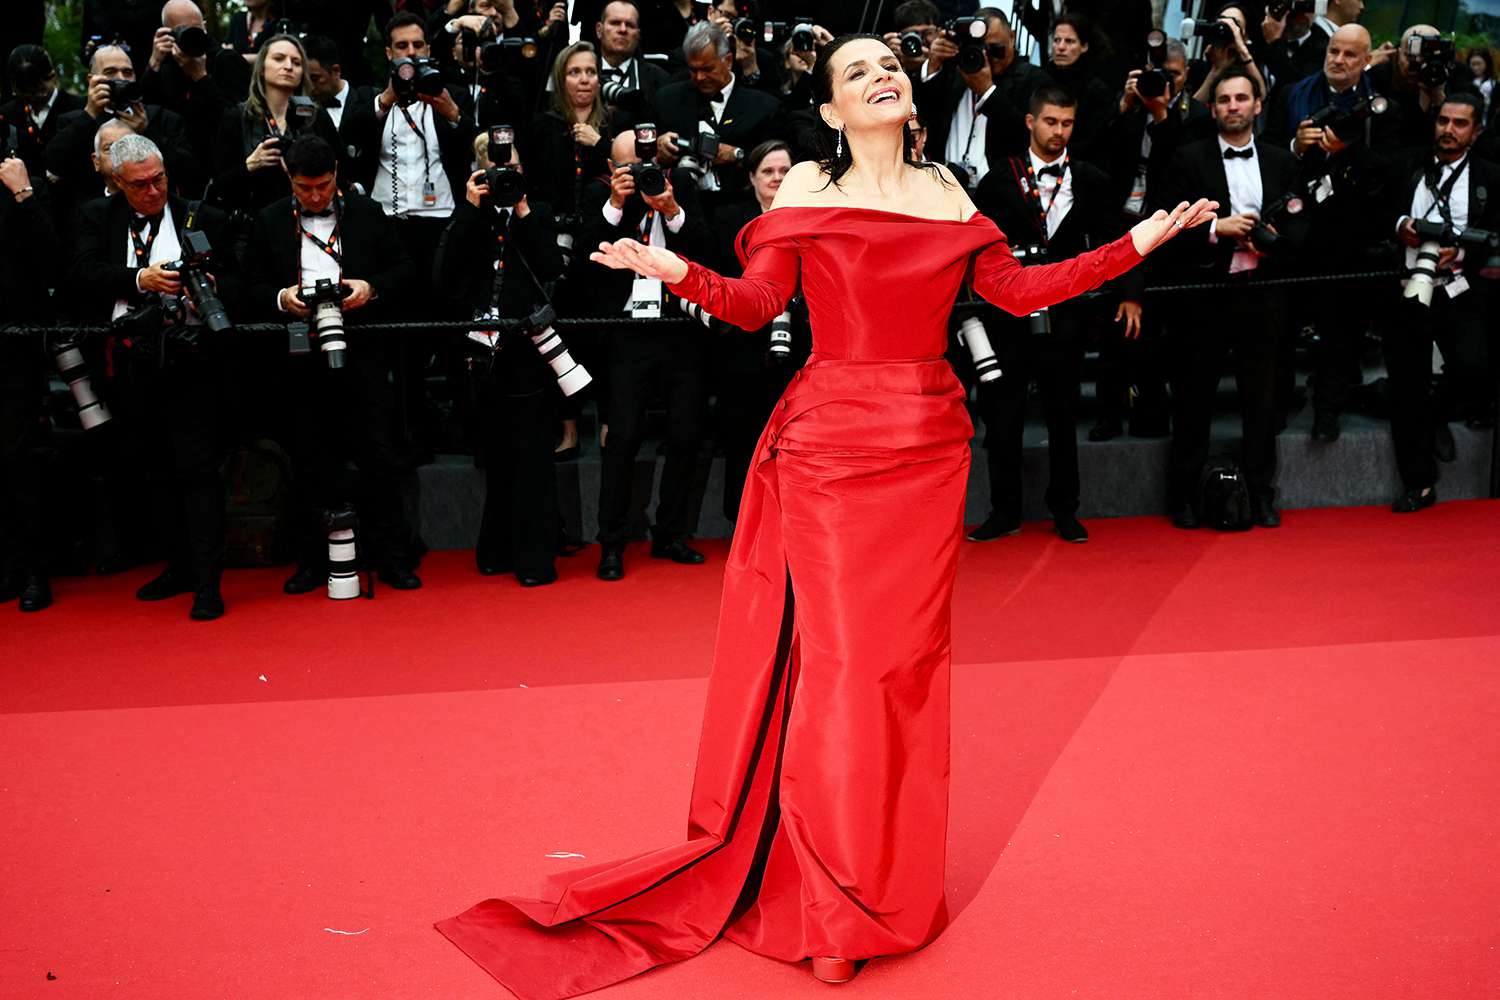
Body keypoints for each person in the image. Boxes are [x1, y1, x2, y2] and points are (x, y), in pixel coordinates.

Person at [435, 32, 1214, 996]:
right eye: (857, 72)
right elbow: (758, 302)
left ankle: (881, 881)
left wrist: (1138, 243)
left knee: (901, 674)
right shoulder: (806, 186)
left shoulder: (951, 194)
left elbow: (1018, 293)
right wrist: (671, 268)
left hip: (929, 449)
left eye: (889, 64)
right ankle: (830, 897)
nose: (882, 75)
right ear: (835, 110)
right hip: (832, 448)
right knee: (842, 671)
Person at [69, 134, 242, 620]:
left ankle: (209, 582)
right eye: (140, 184)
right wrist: (138, 279)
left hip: (191, 361)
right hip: (129, 361)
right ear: (118, 183)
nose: (152, 191)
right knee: (155, 471)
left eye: (159, 179)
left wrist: (206, 287)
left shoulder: (202, 218)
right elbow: (81, 273)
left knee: (198, 471)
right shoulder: (95, 217)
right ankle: (179, 566)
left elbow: (238, 282)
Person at [244, 134, 424, 592]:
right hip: (300, 354)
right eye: (305, 188)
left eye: (323, 185)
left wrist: (370, 288)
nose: (316, 195)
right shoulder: (267, 221)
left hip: (362, 347)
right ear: (289, 179)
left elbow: (407, 270)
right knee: (309, 460)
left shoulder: (366, 214)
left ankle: (393, 557)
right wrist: (283, 298)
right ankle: (311, 561)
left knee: (378, 458)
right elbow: (245, 286)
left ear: (336, 176)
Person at [967, 85, 1142, 544]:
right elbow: (978, 249)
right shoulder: (999, 180)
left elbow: (1114, 241)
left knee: (1063, 417)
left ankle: (1066, 510)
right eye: (1051, 122)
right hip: (1008, 317)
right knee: (1002, 418)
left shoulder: (1090, 179)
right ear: (1030, 122)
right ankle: (1003, 511)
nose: (1059, 131)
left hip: (1066, 316)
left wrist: (1130, 293)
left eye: (1067, 123)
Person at [1158, 68, 1305, 530]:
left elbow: (1305, 225)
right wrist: (1213, 229)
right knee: (1193, 400)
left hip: (1262, 295)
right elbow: (1162, 225)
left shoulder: (1282, 161)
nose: (1234, 106)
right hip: (1205, 298)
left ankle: (1262, 495)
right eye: (1225, 99)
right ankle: (1182, 498)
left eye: (1242, 98)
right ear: (1213, 108)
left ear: (1258, 105)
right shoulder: (1188, 159)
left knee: (1261, 402)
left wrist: (1277, 239)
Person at [579, 128, 713, 580]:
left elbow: (705, 249)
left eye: (643, 165)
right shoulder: (600, 197)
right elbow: (586, 256)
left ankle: (671, 533)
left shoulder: (681, 186)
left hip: (680, 329)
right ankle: (611, 542)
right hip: (626, 333)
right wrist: (617, 205)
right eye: (626, 167)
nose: (638, 174)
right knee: (623, 438)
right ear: (612, 168)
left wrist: (670, 208)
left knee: (685, 433)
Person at [433, 133, 566, 584]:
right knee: (497, 456)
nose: (505, 175)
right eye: (495, 168)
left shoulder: (539, 213)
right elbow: (446, 275)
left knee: (533, 455)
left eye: (512, 167)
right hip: (482, 353)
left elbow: (550, 268)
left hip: (530, 348)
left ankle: (535, 557)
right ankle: (496, 547)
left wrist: (524, 211)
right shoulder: (471, 215)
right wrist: (471, 209)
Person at [1382, 94, 1499, 513]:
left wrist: (1463, 254)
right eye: (1444, 121)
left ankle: (1434, 417)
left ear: (1476, 131)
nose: (1449, 129)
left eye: (1460, 123)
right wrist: (1401, 226)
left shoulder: (1491, 175)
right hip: (1405, 288)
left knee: (1475, 370)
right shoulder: (1405, 163)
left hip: (1458, 289)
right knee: (1406, 388)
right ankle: (1419, 483)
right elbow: (1375, 210)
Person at [707, 138, 808, 522]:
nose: (777, 178)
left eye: (784, 171)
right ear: (751, 177)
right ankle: (742, 521)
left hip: (801, 346)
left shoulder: (810, 217)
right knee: (743, 437)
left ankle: (792, 522)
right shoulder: (730, 221)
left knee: (794, 439)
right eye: (768, 171)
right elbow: (719, 279)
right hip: (743, 347)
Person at [0, 149, 59, 612]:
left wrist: (23, 192)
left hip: (13, 347)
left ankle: (32, 571)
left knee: (19, 460)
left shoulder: (19, 182)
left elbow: (50, 257)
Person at [651, 21, 783, 210]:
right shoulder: (667, 100)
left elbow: (778, 164)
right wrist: (659, 149)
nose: (699, 77)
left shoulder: (765, 107)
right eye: (693, 70)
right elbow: (644, 155)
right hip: (679, 211)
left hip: (742, 211)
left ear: (728, 60)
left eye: (707, 69)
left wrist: (738, 155)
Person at [917, 6, 1050, 189]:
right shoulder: (957, 70)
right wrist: (933, 65)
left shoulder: (1034, 79)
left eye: (995, 48)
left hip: (1000, 194)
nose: (987, 56)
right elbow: (922, 115)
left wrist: (988, 92)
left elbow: (1030, 137)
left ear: (1012, 37)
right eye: (980, 48)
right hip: (944, 187)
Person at [212, 33, 341, 213]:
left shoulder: (316, 116)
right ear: (262, 68)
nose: (288, 67)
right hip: (254, 224)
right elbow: (219, 185)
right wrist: (250, 165)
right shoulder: (238, 116)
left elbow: (341, 172)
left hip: (309, 219)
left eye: (296, 63)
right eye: (279, 59)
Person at [1, 46, 84, 175]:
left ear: (52, 76)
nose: (33, 98)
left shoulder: (79, 107)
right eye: (24, 92)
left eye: (38, 91)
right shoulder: (7, 113)